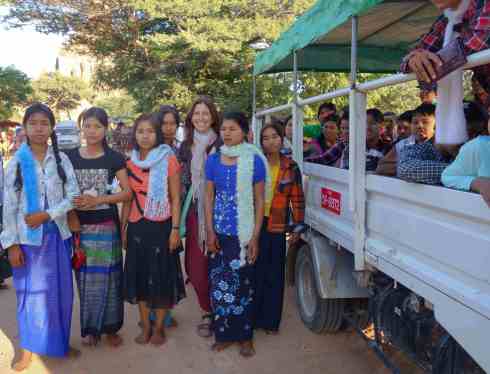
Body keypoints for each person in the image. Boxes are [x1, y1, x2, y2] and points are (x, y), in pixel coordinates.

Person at [1, 103, 80, 371]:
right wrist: (11, 244)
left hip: (57, 236)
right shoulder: (16, 164)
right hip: (27, 240)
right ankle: (28, 350)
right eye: (33, 123)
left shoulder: (61, 160)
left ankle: (58, 343)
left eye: (44, 123)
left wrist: (47, 215)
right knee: (29, 296)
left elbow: (73, 196)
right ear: (25, 127)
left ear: (51, 128)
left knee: (60, 293)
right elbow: (9, 207)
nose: (38, 128)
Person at [66, 107, 131, 347]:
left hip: (107, 228)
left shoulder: (114, 158)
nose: (91, 131)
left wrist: (99, 200)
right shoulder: (69, 157)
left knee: (111, 279)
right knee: (85, 279)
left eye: (97, 126)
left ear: (106, 129)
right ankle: (91, 328)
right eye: (87, 125)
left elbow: (127, 193)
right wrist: (72, 214)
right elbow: (63, 192)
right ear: (81, 127)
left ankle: (111, 329)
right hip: (80, 229)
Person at [204, 112, 267, 358]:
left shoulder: (254, 160)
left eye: (232, 129)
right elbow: (209, 198)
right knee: (219, 284)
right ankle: (223, 335)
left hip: (244, 234)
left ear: (244, 131)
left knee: (244, 286)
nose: (226, 133)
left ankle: (245, 336)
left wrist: (255, 237)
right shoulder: (214, 160)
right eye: (223, 129)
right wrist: (209, 231)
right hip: (220, 233)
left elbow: (260, 200)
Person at [122, 114, 186, 346]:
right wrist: (123, 229)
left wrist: (175, 229)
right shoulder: (129, 163)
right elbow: (128, 199)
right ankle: (145, 326)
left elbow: (176, 198)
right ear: (135, 135)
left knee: (160, 276)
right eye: (140, 131)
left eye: (150, 131)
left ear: (157, 134)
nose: (145, 135)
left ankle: (159, 327)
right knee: (139, 276)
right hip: (137, 225)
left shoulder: (168, 159)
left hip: (162, 225)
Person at [400, 0, 490, 146]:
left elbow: (476, 43)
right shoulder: (447, 19)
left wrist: (427, 60)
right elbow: (409, 59)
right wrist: (415, 58)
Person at [177, 96, 221, 338]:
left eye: (206, 113)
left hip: (221, 211)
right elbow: (181, 183)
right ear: (191, 119)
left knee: (219, 264)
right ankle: (207, 309)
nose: (201, 118)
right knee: (195, 267)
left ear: (213, 116)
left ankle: (219, 312)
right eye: (197, 114)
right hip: (194, 211)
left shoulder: (223, 142)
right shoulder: (185, 146)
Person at [256, 122, 305, 335]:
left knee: (275, 274)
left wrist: (297, 227)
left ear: (281, 138)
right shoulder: (256, 163)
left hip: (277, 224)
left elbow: (298, 197)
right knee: (256, 271)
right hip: (256, 224)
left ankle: (271, 322)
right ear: (261, 142)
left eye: (274, 136)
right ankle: (255, 317)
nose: (270, 141)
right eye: (266, 138)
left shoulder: (291, 166)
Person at [442, 102, 490, 206]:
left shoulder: (479, 147)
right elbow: (408, 168)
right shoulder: (424, 152)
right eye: (458, 133)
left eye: (476, 132)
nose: (468, 139)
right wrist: (477, 182)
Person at [377, 104, 436, 176]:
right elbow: (381, 167)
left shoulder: (441, 146)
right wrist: (404, 165)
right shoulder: (403, 144)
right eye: (415, 122)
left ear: (436, 125)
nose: (419, 126)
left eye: (425, 122)